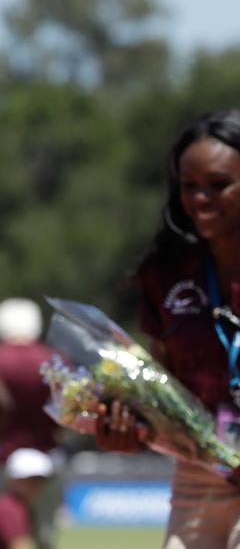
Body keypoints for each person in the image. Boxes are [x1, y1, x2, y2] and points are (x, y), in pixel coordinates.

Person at [98, 110, 240, 548]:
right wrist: (128, 426)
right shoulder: (164, 274)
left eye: (218, 185)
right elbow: (164, 389)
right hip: (202, 471)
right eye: (188, 185)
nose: (199, 198)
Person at [0, 298, 62, 549]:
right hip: (46, 459)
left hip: (3, 460)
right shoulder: (53, 362)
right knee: (44, 536)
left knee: (3, 534)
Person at [0, 448, 53, 549]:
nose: (34, 485)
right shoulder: (9, 508)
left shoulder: (20, 506)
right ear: (14, 480)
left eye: (38, 480)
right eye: (29, 480)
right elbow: (19, 546)